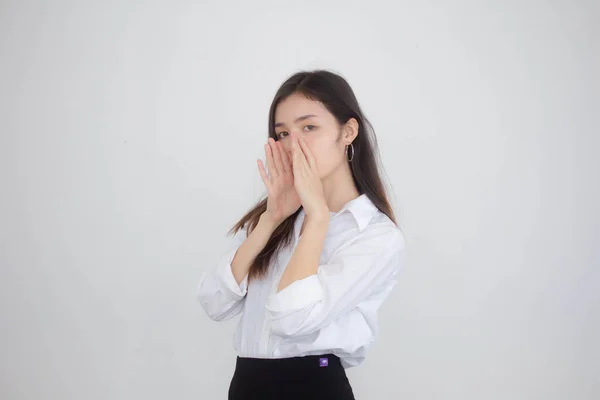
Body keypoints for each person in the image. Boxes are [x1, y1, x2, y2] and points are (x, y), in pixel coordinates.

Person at [197, 70, 405, 400]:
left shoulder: (373, 235)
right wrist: (270, 219)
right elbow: (214, 302)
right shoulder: (276, 217)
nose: (293, 144)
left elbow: (291, 319)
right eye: (282, 134)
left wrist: (318, 217)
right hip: (247, 385)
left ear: (348, 132)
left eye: (309, 127)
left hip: (314, 385)